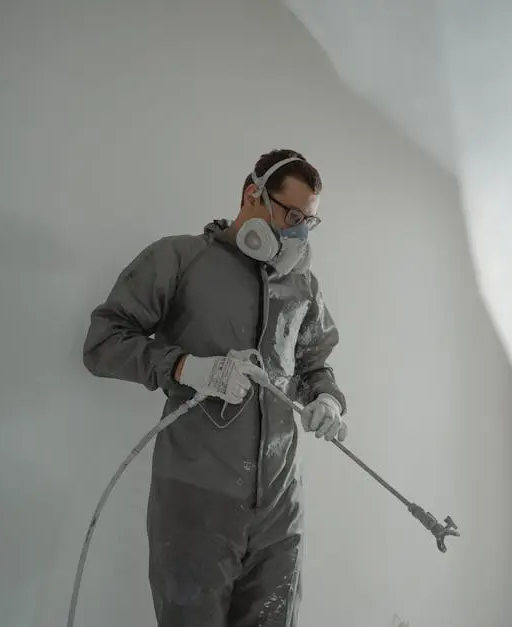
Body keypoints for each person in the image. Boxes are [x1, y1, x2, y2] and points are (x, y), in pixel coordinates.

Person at [81, 148, 348, 627]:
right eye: (291, 216)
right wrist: (186, 368)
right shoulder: (180, 259)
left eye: (309, 221)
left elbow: (314, 363)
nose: (299, 232)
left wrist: (326, 398)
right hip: (196, 503)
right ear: (253, 195)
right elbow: (104, 343)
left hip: (280, 513)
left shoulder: (302, 286)